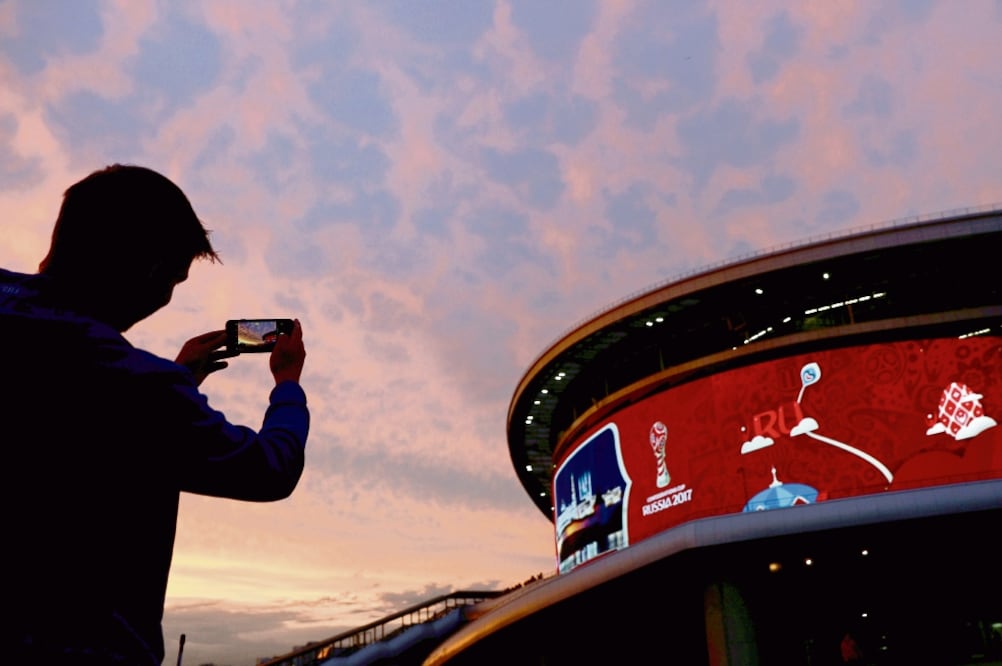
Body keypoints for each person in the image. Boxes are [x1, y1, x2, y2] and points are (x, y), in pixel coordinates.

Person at [4, 164, 310, 664]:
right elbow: (270, 469)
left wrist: (176, 382)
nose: (167, 297)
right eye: (173, 279)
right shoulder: (138, 386)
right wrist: (288, 386)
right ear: (147, 271)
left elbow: (85, 428)